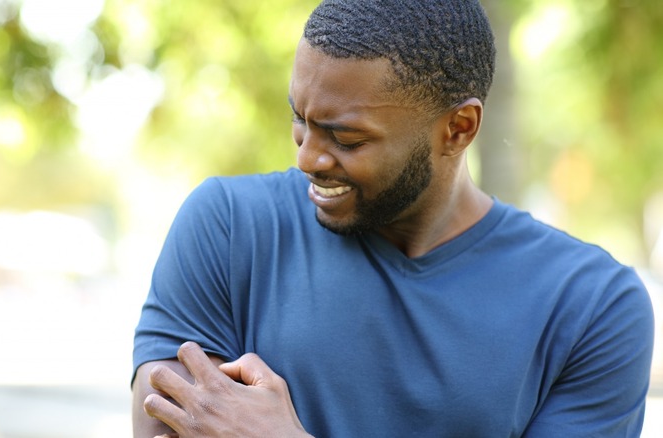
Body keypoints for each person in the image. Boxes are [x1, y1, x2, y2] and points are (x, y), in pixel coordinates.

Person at [131, 0, 655, 436]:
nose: (307, 158)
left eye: (346, 138)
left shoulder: (591, 307)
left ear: (458, 128)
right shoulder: (228, 227)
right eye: (300, 118)